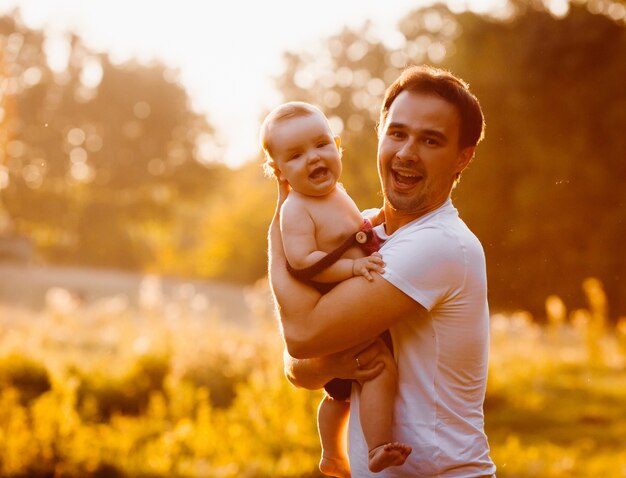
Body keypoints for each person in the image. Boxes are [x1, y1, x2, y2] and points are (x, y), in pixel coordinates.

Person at [268, 65, 497, 477]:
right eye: (398, 133)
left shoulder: (439, 244)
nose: (407, 152)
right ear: (380, 135)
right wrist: (332, 364)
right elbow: (297, 367)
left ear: (463, 156)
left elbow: (302, 336)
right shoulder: (365, 233)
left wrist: (277, 232)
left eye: (431, 140)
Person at [260, 101, 412, 477]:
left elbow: (350, 227)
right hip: (333, 306)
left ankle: (332, 456)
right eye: (296, 155)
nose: (313, 158)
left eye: (321, 145)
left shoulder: (334, 193)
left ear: (337, 145)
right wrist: (353, 266)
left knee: (339, 395)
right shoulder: (296, 209)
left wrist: (374, 219)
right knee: (378, 370)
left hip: (348, 305)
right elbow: (305, 262)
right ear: (278, 172)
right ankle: (369, 447)